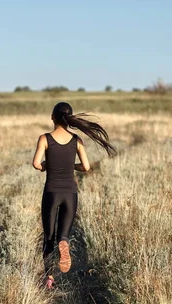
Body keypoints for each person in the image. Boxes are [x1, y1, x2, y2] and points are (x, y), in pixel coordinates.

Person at [32, 102, 116, 289]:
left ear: (53, 117)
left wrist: (47, 165)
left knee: (48, 238)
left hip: (51, 193)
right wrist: (71, 166)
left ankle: (49, 279)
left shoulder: (45, 139)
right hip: (70, 194)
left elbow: (36, 164)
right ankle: (64, 243)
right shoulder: (76, 140)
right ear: (69, 120)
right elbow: (86, 167)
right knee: (63, 236)